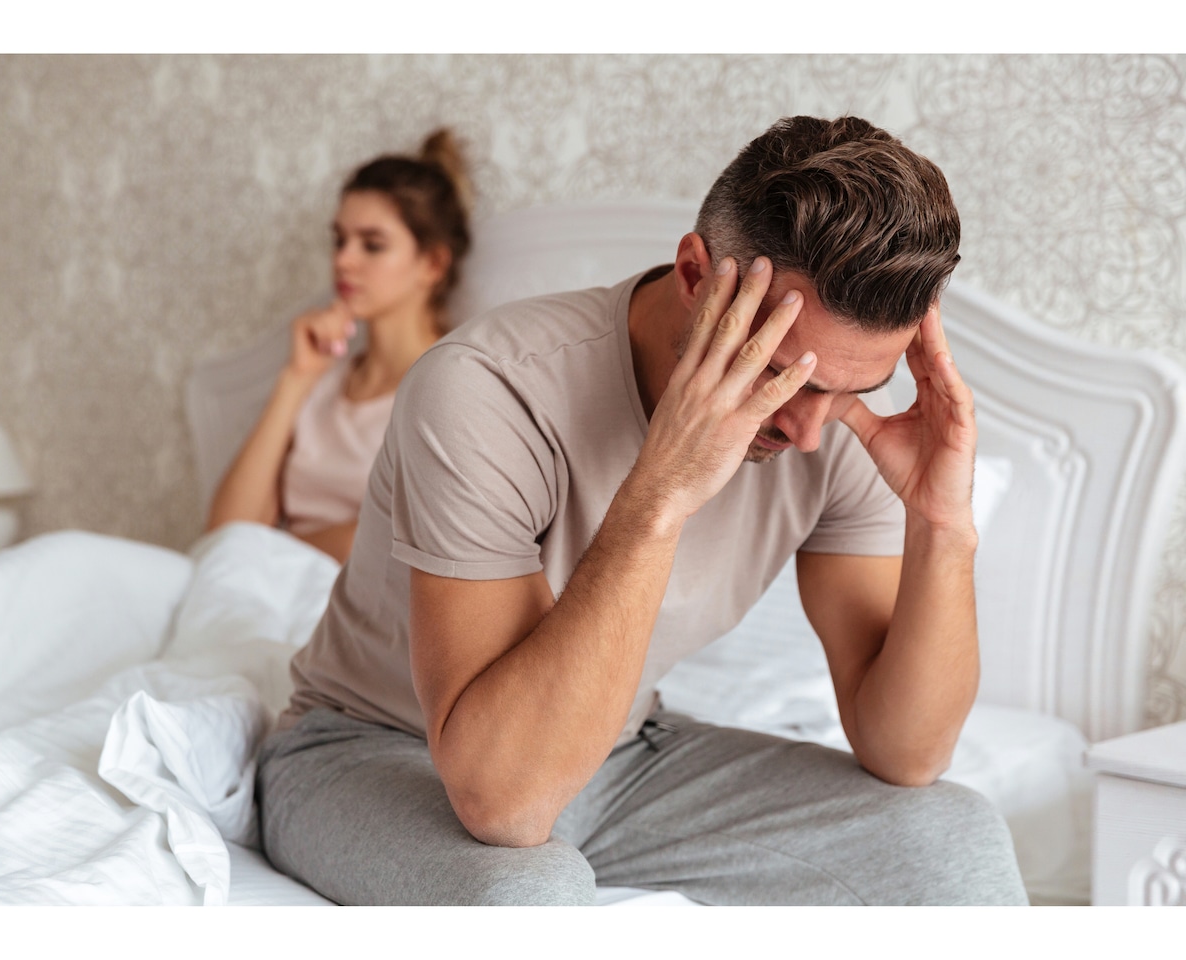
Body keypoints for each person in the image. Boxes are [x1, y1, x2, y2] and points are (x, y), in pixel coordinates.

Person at [256, 116, 1030, 906]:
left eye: (849, 389)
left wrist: (943, 526)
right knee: (527, 893)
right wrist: (661, 493)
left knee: (954, 836)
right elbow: (506, 801)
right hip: (372, 750)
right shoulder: (488, 388)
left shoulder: (835, 426)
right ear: (695, 275)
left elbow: (907, 755)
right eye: (777, 375)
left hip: (617, 757)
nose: (807, 430)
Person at [206, 129, 471, 564]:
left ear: (432, 263)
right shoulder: (322, 381)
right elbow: (223, 536)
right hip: (267, 586)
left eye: (372, 245)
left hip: (350, 598)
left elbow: (395, 540)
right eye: (339, 240)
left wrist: (268, 551)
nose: (343, 260)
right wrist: (296, 379)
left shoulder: (450, 389)